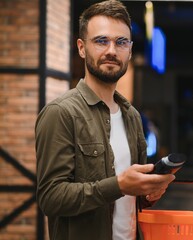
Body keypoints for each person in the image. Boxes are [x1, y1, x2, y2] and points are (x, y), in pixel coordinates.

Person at [35, 1, 175, 240]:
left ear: (129, 51)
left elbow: (130, 198)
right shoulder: (61, 112)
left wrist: (149, 192)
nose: (112, 50)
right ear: (81, 48)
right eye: (101, 41)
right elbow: (51, 198)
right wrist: (119, 185)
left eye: (121, 42)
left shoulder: (131, 116)